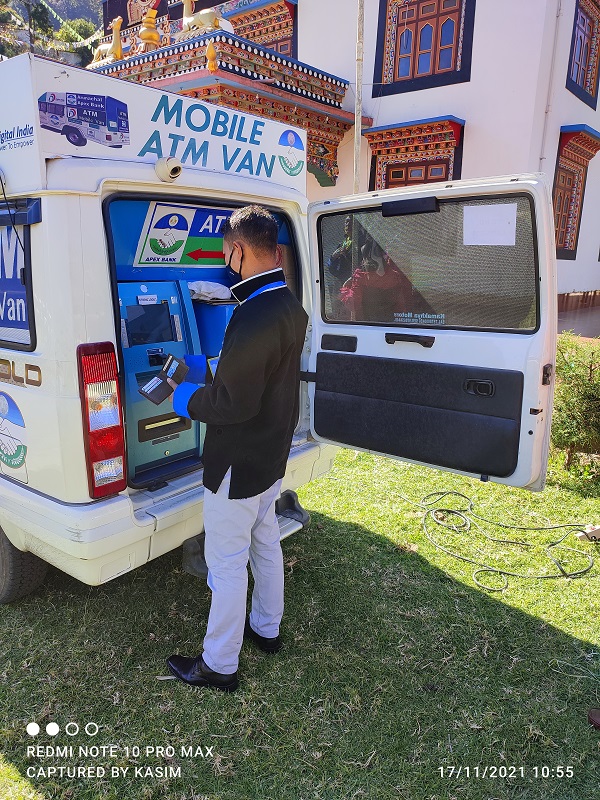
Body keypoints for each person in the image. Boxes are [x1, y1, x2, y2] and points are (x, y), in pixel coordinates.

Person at [165, 205, 308, 692]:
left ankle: (219, 664)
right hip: (269, 458)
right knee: (265, 541)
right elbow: (259, 374)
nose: (226, 261)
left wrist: (181, 396)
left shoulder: (251, 314)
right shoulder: (289, 306)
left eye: (226, 252)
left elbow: (231, 404)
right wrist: (206, 366)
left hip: (237, 463)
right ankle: (266, 628)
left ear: (238, 251)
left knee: (227, 563)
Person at [340, 239, 412, 322]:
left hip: (368, 323)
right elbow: (401, 305)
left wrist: (345, 289)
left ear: (366, 258)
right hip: (392, 322)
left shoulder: (361, 276)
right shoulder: (394, 275)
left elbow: (353, 304)